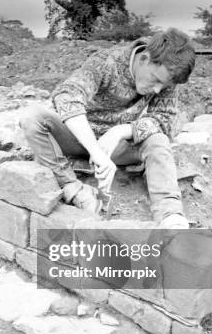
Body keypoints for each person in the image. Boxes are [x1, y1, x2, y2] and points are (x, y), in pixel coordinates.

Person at [20, 28, 196, 229]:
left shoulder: (167, 74)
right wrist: (95, 151)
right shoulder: (106, 62)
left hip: (117, 148)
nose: (157, 90)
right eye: (155, 80)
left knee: (158, 140)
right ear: (144, 58)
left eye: (163, 86)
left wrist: (120, 131)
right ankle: (73, 187)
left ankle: (170, 215)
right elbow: (67, 95)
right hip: (78, 138)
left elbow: (165, 121)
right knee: (32, 117)